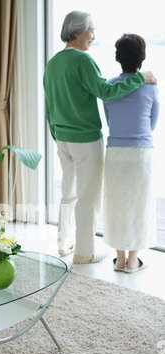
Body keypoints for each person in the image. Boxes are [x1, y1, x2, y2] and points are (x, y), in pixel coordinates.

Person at [43, 10, 157, 264]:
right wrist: (140, 77)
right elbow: (106, 92)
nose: (94, 35)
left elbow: (49, 104)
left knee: (68, 194)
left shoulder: (53, 63)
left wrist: (56, 134)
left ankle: (64, 243)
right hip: (84, 139)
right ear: (76, 32)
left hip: (61, 138)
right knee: (89, 198)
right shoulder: (82, 60)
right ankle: (84, 252)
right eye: (91, 30)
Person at [103, 34, 160, 273]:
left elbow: (109, 120)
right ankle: (133, 261)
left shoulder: (110, 86)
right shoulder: (151, 87)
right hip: (140, 154)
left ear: (118, 59)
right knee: (139, 204)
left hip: (115, 151)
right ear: (142, 58)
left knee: (116, 204)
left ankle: (119, 258)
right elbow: (152, 123)